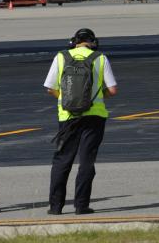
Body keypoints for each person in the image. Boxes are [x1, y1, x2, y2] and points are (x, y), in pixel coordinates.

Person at [44, 28, 118, 215]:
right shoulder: (100, 58)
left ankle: (55, 206)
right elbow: (113, 89)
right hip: (94, 117)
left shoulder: (61, 57)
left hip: (68, 117)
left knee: (62, 161)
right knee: (86, 161)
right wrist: (93, 98)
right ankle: (81, 205)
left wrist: (68, 99)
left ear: (74, 42)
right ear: (92, 42)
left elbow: (50, 88)